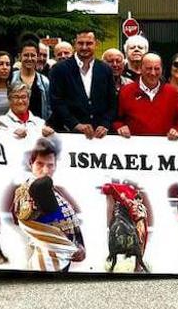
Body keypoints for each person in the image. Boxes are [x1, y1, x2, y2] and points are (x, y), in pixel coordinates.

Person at [12, 138, 84, 271]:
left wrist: (80, 245)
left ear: (56, 166)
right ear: (30, 164)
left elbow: (71, 220)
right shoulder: (27, 190)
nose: (45, 170)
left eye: (50, 165)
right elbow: (24, 213)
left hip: (64, 255)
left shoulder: (55, 190)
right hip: (46, 258)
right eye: (39, 164)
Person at [48, 28, 115, 138]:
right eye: (80, 43)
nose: (84, 47)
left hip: (100, 136)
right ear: (75, 43)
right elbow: (56, 101)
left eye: (88, 43)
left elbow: (112, 102)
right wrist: (75, 124)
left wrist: (105, 124)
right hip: (69, 133)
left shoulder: (105, 69)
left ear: (96, 44)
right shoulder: (59, 69)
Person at [113, 54, 178, 140]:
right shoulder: (126, 91)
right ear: (140, 68)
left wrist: (177, 129)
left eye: (157, 69)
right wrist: (120, 127)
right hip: (134, 149)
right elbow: (115, 118)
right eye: (148, 68)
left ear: (162, 69)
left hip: (165, 150)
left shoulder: (172, 93)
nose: (153, 73)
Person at [10, 36, 50, 121]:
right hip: (14, 129)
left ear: (37, 56)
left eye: (33, 55)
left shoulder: (45, 82)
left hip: (39, 129)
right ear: (20, 56)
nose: (29, 59)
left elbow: (49, 108)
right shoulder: (11, 79)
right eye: (26, 55)